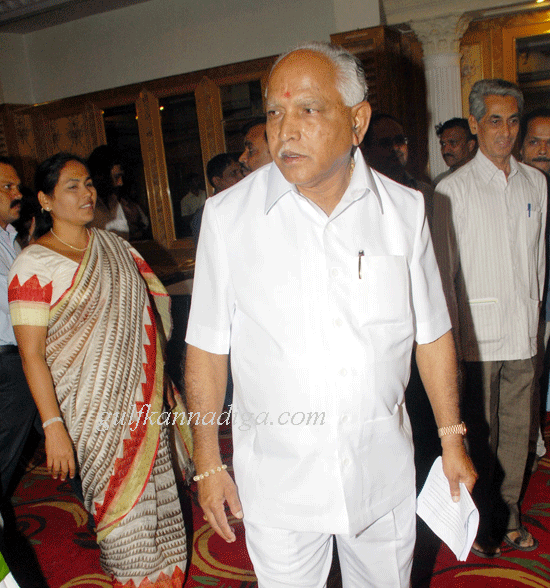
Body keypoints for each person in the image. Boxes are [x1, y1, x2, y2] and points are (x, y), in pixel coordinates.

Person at [185, 42, 476, 587]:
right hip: (279, 482)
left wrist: (452, 439)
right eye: (275, 112)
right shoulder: (228, 219)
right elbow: (206, 348)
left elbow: (433, 335)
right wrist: (207, 462)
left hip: (381, 472)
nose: (285, 130)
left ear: (357, 121)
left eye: (308, 109)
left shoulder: (404, 211)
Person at [8, 153, 193, 588]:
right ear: (45, 200)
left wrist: (161, 378)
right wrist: (53, 427)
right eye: (72, 186)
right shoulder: (34, 264)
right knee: (121, 517)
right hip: (90, 412)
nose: (86, 193)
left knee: (161, 506)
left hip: (142, 398)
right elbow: (31, 355)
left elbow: (147, 318)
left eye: (88, 183)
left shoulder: (116, 248)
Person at [434, 80, 546, 558]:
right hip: (475, 341)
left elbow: (538, 262)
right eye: (495, 120)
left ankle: (509, 514)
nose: (506, 131)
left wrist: (537, 322)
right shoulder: (451, 190)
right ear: (475, 125)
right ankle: (479, 521)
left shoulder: (536, 184)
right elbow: (444, 276)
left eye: (513, 121)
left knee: (519, 435)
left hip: (524, 333)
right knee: (480, 436)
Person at [0, 157, 38, 523]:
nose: (17, 194)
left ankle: (103, 513)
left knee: (63, 434)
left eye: (17, 186)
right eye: (6, 187)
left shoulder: (10, 238)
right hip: (9, 363)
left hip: (24, 356)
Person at [520, 107, 550, 470]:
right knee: (531, 374)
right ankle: (532, 442)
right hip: (530, 302)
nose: (543, 149)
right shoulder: (514, 188)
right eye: (535, 141)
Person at [362, 113, 434, 220]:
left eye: (400, 140)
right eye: (386, 143)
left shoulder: (425, 192)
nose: (396, 147)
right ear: (367, 151)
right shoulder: (362, 195)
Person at [191, 153, 243, 246]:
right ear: (217, 181)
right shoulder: (206, 215)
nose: (241, 177)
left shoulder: (246, 204)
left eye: (241, 172)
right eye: (233, 173)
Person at [433, 117, 477, 184]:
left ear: (470, 145)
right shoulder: (439, 182)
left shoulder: (485, 177)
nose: (445, 150)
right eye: (443, 144)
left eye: (453, 142)